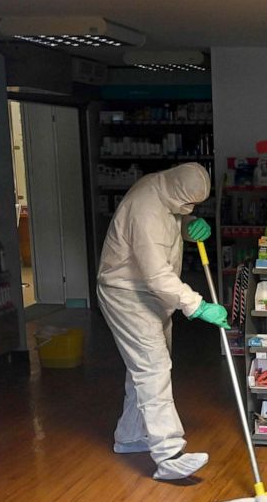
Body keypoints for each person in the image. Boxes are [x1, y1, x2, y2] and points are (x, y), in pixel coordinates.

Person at [97, 163, 228, 481]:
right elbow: (157, 277)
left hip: (151, 295)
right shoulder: (145, 208)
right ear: (174, 192)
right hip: (127, 294)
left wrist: (189, 224)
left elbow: (173, 221)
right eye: (188, 205)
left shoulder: (164, 189)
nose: (189, 209)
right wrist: (197, 306)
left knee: (143, 369)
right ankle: (168, 454)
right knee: (153, 368)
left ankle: (130, 436)